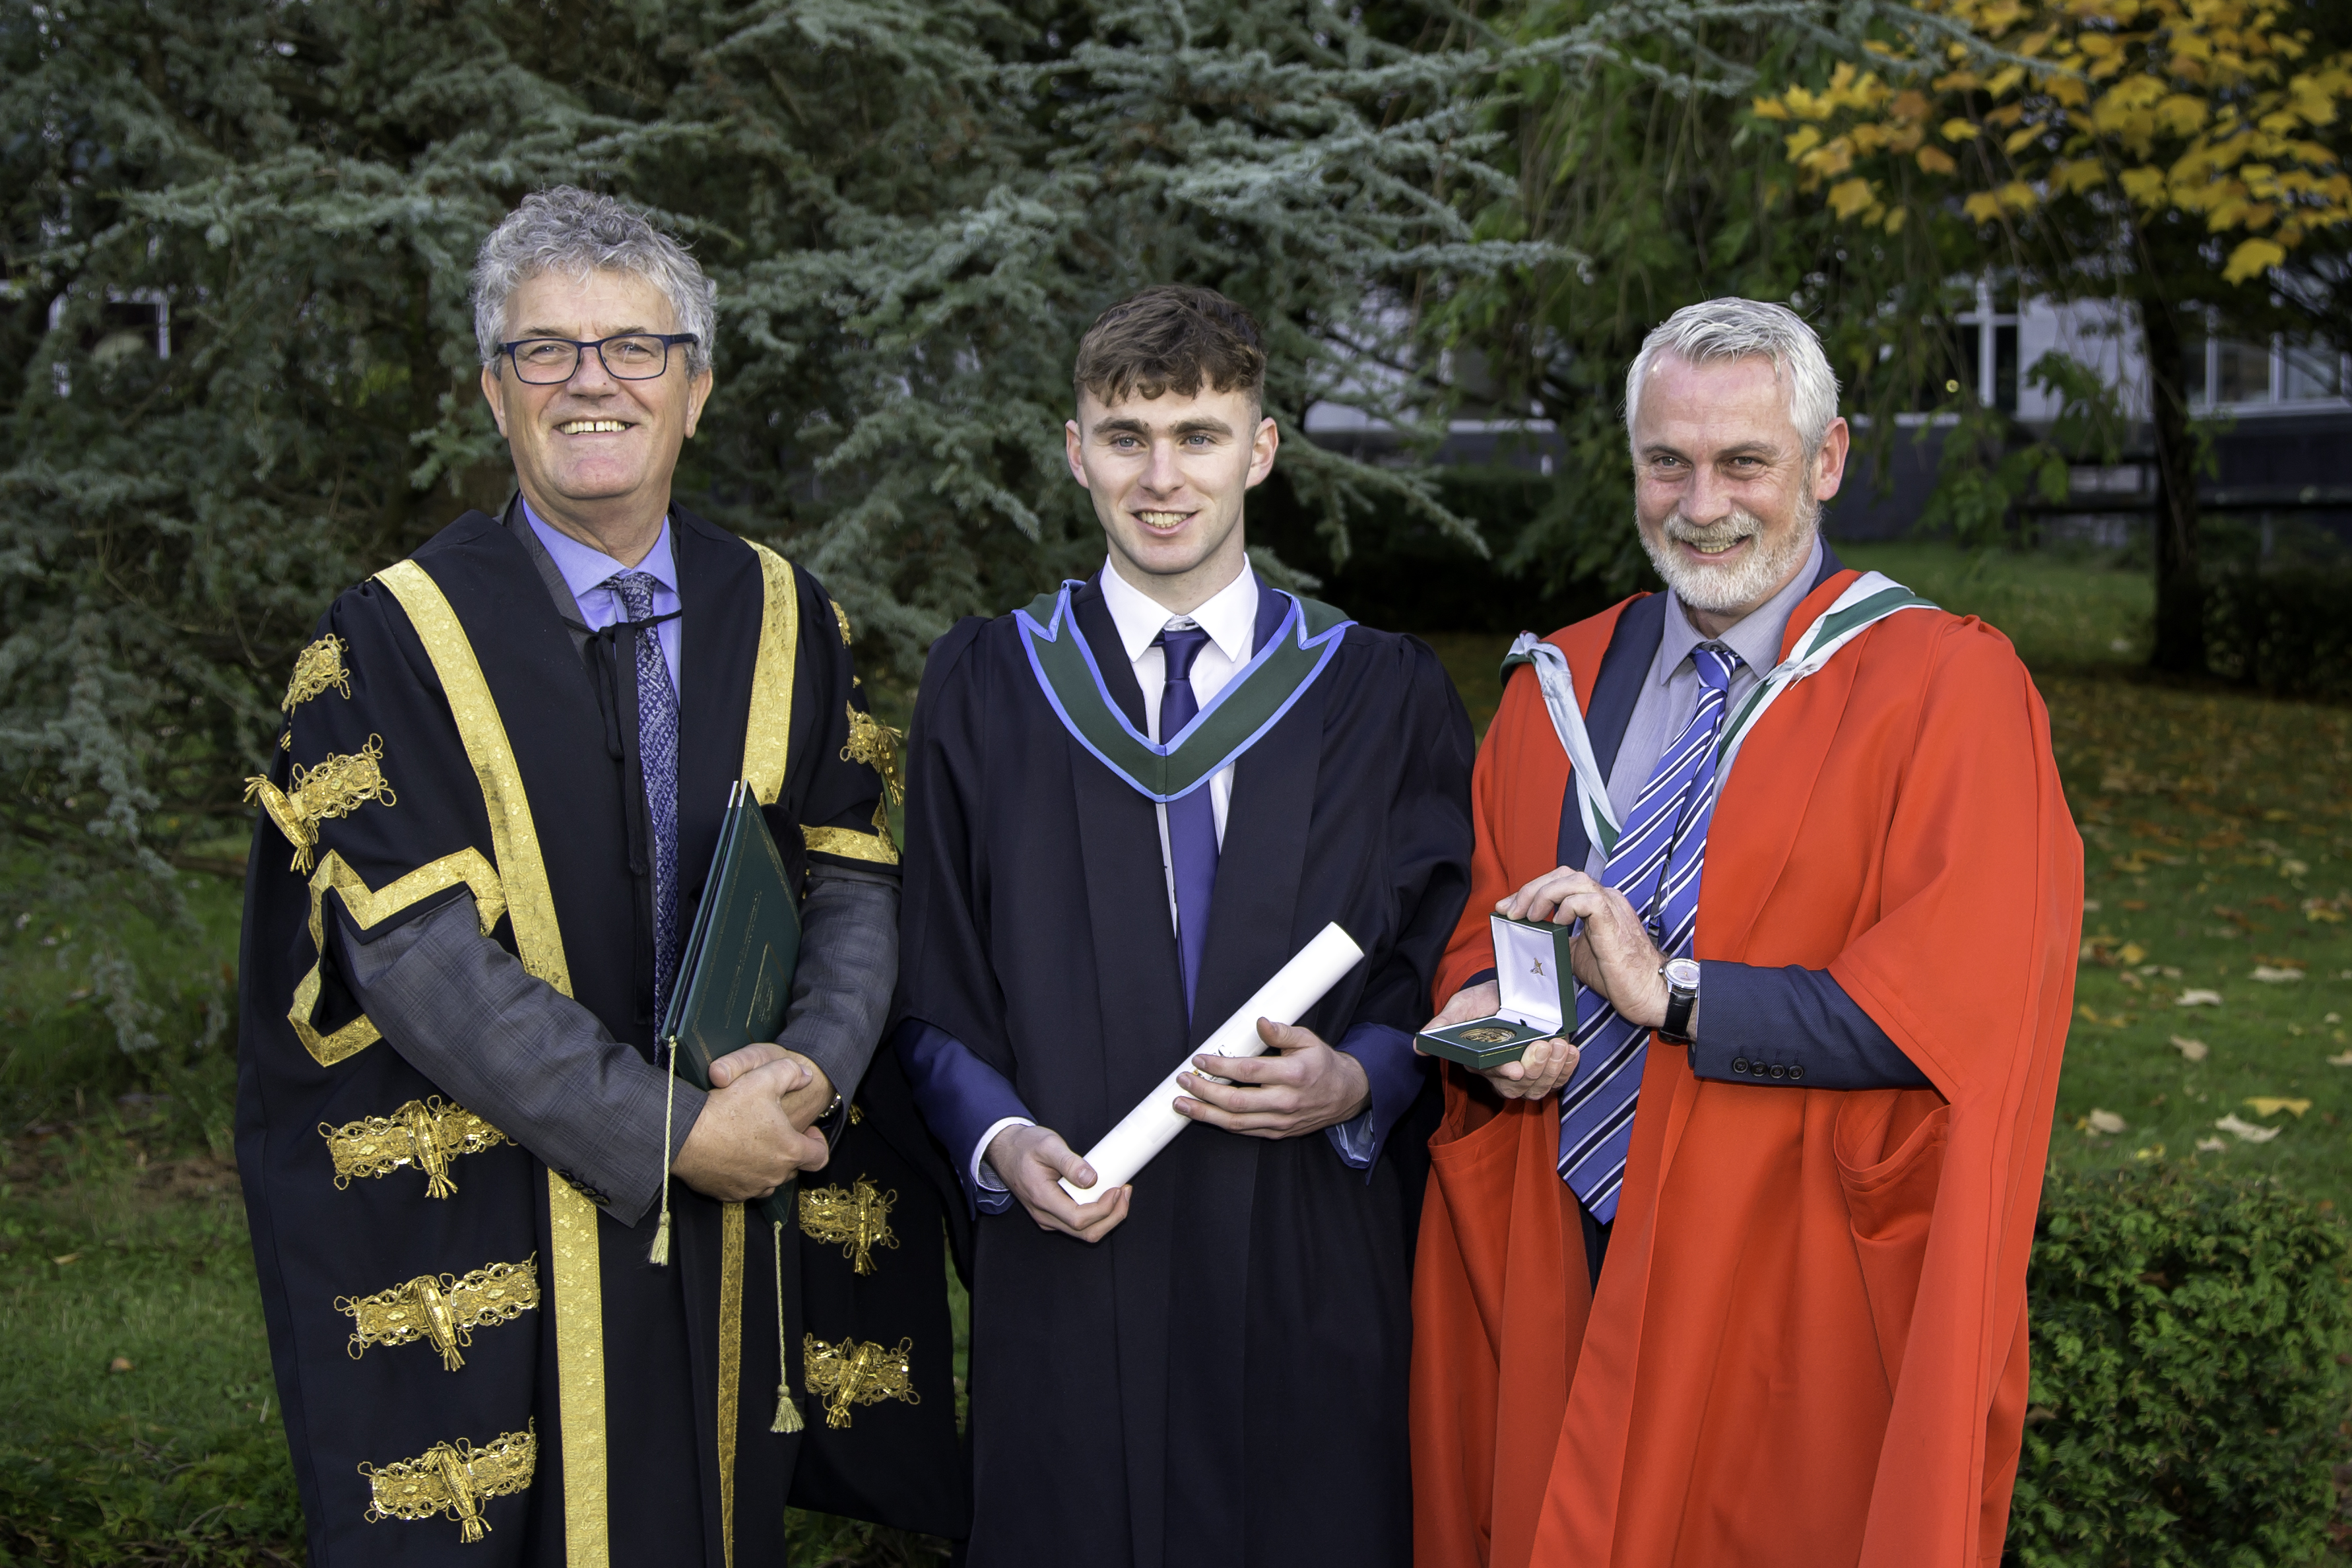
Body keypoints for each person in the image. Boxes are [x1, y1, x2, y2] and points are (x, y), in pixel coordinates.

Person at [235, 186, 962, 1568]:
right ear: (492, 392)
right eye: (545, 350)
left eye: (635, 347)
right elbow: (418, 960)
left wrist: (806, 1070)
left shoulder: (790, 613)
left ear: (694, 387)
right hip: (519, 1206)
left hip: (742, 1196)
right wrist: (668, 1133)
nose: (591, 382)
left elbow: (855, 879)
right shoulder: (391, 636)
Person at [1408, 299, 2081, 1568]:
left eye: (1745, 463)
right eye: (1669, 461)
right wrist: (1497, 1034)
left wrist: (1675, 994)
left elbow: (1966, 998)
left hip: (1789, 1254)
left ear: (1825, 464)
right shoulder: (1558, 682)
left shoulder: (1947, 687)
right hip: (1565, 1240)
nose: (1701, 501)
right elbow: (1481, 927)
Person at [890, 284, 1474, 1567]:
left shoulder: (1376, 693)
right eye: (1126, 435)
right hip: (1074, 1240)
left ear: (1259, 449)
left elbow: (1445, 957)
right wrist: (999, 1140)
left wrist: (1360, 1077)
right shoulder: (989, 684)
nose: (1162, 478)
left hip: (1304, 1244)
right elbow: (930, 973)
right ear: (1075, 449)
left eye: (1199, 435)